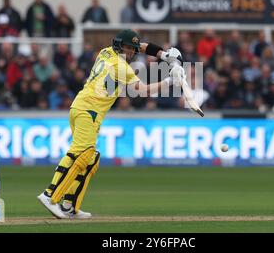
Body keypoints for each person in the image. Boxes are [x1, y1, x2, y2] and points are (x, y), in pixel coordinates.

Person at [37, 29, 185, 219]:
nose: (131, 53)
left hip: (83, 109)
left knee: (91, 159)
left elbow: (142, 46)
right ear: (120, 46)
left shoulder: (106, 51)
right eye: (128, 49)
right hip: (88, 110)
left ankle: (69, 205)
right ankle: (50, 195)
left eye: (132, 50)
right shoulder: (121, 67)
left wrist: (165, 55)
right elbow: (141, 91)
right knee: (81, 154)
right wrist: (169, 81)